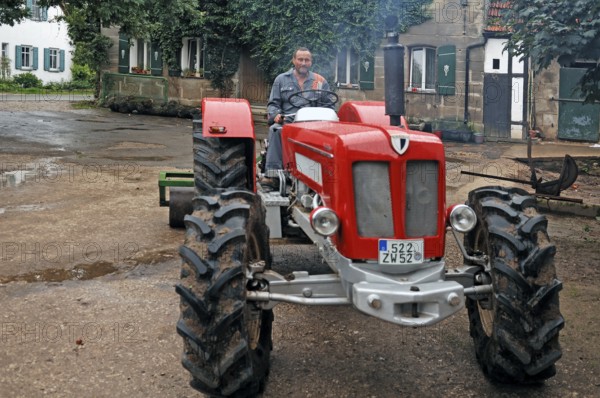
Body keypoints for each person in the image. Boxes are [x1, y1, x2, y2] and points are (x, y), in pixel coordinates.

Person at [262, 47, 332, 189]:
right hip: (288, 123)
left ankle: (329, 176)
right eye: (300, 59)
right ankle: (273, 175)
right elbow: (273, 104)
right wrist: (276, 115)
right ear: (294, 60)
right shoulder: (281, 80)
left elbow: (329, 105)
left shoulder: (320, 81)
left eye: (307, 60)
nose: (303, 63)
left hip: (314, 126)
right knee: (276, 130)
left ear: (311, 62)